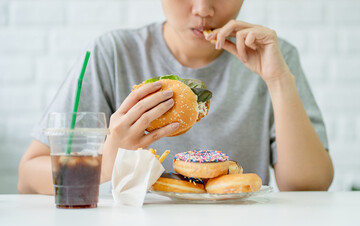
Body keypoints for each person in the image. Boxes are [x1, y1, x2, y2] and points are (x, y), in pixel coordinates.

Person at [18, 0, 334, 195]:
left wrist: (278, 81)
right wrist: (104, 166)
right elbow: (28, 177)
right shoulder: (113, 54)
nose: (203, 9)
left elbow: (310, 185)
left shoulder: (273, 57)